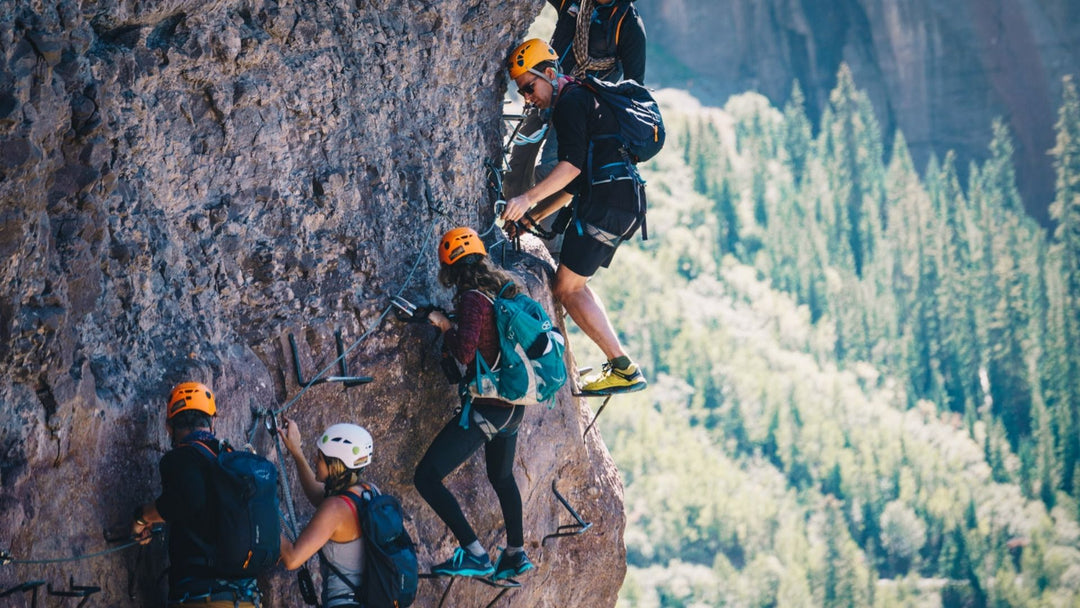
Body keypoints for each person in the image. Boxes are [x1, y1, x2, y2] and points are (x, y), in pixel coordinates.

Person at [501, 39, 648, 395]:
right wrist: (533, 217)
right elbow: (574, 181)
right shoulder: (581, 98)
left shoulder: (571, 102)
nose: (527, 97)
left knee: (567, 289)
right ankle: (620, 365)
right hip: (620, 202)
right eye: (521, 91)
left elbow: (570, 168)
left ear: (549, 74)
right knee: (572, 284)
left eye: (529, 87)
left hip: (608, 204)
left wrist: (526, 199)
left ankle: (623, 368)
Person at [412, 227, 536, 580]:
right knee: (501, 475)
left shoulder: (471, 299)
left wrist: (440, 324)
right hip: (513, 405)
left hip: (490, 407)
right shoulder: (500, 292)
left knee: (427, 477)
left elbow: (466, 350)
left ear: (450, 269)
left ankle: (475, 554)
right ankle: (514, 554)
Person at [503, 0, 647, 244]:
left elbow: (634, 90)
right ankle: (512, 225)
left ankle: (541, 241)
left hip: (578, 107)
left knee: (553, 169)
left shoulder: (628, 25)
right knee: (519, 160)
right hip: (544, 89)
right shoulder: (574, 2)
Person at [130, 381, 260, 607]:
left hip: (202, 597)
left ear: (169, 426)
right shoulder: (233, 461)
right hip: (247, 596)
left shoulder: (179, 458)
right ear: (212, 423)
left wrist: (142, 518)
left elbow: (184, 503)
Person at [277, 418, 374, 608]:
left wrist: (260, 509)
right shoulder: (368, 492)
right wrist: (296, 451)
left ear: (335, 465)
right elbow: (318, 496)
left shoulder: (335, 509)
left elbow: (291, 558)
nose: (315, 459)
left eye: (320, 458)